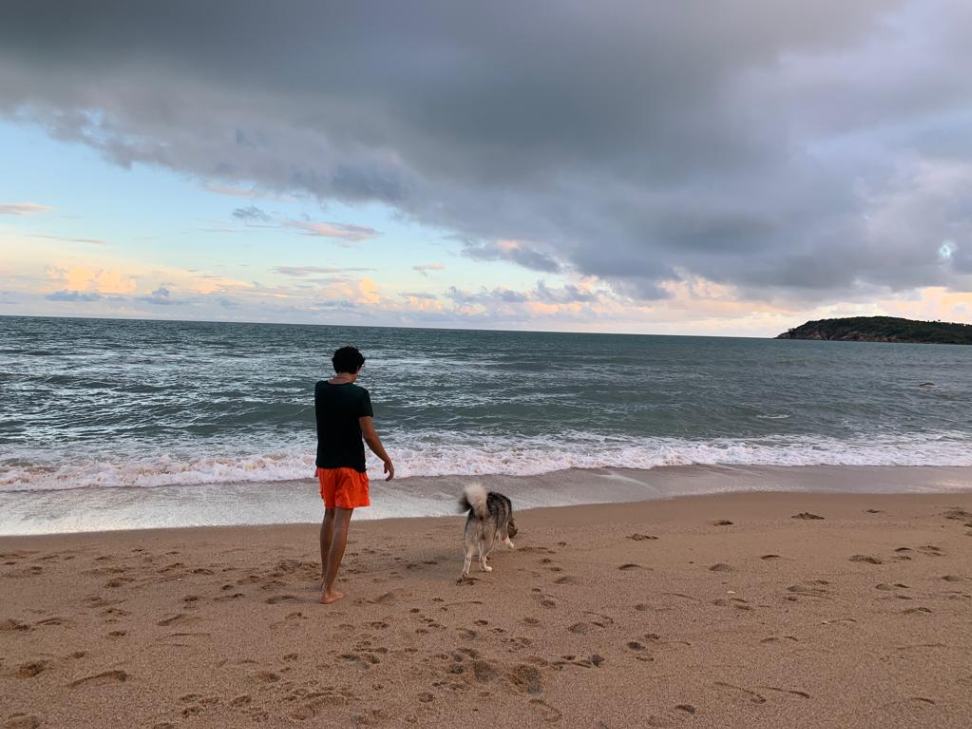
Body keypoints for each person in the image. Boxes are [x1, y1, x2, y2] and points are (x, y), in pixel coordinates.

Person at [314, 345, 394, 604]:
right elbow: (368, 435)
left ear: (336, 365)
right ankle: (328, 589)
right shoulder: (359, 394)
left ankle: (325, 578)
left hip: (325, 463)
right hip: (349, 465)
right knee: (342, 523)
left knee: (329, 515)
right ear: (358, 368)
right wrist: (386, 458)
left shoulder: (320, 388)